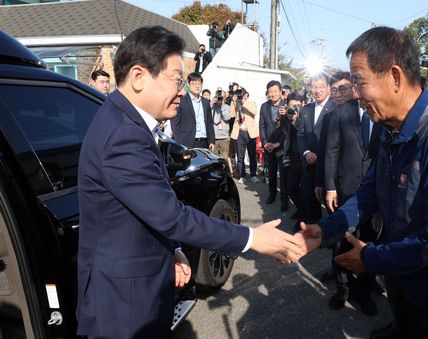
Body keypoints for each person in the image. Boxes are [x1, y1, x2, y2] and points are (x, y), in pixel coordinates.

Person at [76, 25, 303, 339]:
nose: (182, 91)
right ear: (139, 77)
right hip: (124, 303)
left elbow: (147, 208)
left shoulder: (128, 123)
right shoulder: (122, 135)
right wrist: (251, 239)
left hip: (137, 287)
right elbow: (171, 215)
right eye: (176, 80)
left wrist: (173, 250)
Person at [297, 26, 428, 339]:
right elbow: (370, 192)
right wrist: (327, 228)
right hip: (410, 281)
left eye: (360, 82)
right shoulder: (389, 128)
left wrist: (370, 258)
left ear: (394, 76)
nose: (355, 93)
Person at [323, 71, 378, 316]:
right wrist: (330, 187)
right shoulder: (341, 112)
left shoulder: (380, 110)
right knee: (342, 239)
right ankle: (343, 288)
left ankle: (364, 290)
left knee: (369, 240)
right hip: (345, 188)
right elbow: (331, 151)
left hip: (375, 191)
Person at [297, 73, 336, 224]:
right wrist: (306, 153)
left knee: (330, 200)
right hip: (310, 163)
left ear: (328, 88)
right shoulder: (306, 109)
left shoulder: (335, 108)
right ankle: (314, 229)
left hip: (327, 163)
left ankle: (333, 232)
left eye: (321, 87)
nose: (317, 90)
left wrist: (322, 155)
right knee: (309, 197)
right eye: (314, 87)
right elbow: (300, 135)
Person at [259, 80, 287, 206]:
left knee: (284, 174)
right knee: (271, 173)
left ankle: (284, 200)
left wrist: (279, 143)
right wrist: (265, 142)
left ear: (280, 91)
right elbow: (262, 125)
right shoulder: (264, 106)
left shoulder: (287, 106)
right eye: (270, 92)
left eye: (275, 91)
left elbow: (288, 129)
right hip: (269, 146)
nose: (272, 94)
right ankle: (272, 194)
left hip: (283, 146)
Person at [172, 72, 215, 150]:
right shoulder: (181, 100)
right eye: (194, 83)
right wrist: (179, 141)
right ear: (188, 84)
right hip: (186, 142)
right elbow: (175, 122)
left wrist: (211, 140)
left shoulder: (205, 102)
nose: (197, 86)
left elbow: (209, 122)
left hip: (204, 142)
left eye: (199, 83)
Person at [230, 89, 259, 184]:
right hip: (239, 133)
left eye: (242, 95)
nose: (241, 97)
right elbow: (232, 114)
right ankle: (242, 176)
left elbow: (254, 112)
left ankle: (253, 175)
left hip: (250, 133)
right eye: (239, 95)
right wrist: (233, 102)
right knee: (240, 157)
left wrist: (244, 102)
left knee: (252, 156)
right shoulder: (236, 104)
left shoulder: (251, 103)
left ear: (246, 95)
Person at [211, 93, 233, 174]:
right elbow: (207, 115)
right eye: (219, 97)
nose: (220, 99)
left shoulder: (227, 107)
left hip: (224, 137)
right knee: (213, 159)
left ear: (225, 98)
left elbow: (227, 118)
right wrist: (212, 103)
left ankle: (227, 174)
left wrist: (222, 106)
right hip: (214, 137)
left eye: (222, 97)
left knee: (225, 159)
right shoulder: (212, 106)